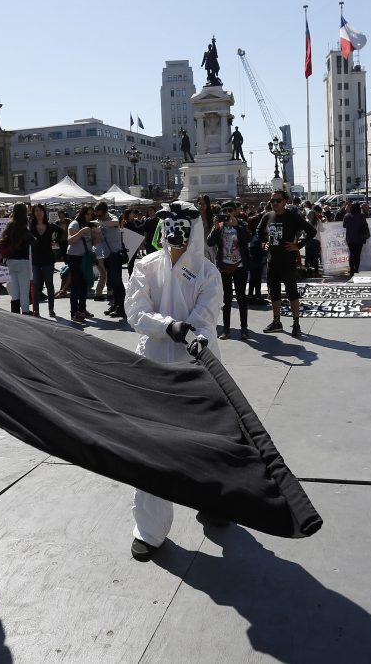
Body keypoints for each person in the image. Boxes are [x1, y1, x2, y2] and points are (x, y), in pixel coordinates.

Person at [124, 202, 223, 561]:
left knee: (206, 441)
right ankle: (149, 529)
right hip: (153, 365)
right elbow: (136, 311)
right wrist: (168, 326)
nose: (174, 232)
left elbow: (206, 315)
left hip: (197, 366)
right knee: (152, 446)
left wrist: (192, 333)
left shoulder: (208, 272)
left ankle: (213, 500)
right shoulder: (146, 266)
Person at [257, 189, 316, 336]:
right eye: (272, 200)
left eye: (278, 200)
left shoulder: (292, 216)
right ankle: (276, 322)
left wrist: (298, 245)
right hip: (272, 262)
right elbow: (259, 231)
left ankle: (296, 324)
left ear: (285, 202)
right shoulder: (267, 216)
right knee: (274, 294)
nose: (275, 203)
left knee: (292, 294)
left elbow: (311, 231)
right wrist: (264, 243)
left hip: (288, 262)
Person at [206, 200, 251, 339]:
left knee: (241, 297)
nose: (227, 214)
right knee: (226, 298)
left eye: (229, 211)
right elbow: (210, 242)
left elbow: (248, 238)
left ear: (235, 211)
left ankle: (244, 328)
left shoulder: (241, 223)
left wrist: (236, 226)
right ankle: (226, 329)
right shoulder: (219, 226)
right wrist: (215, 228)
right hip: (224, 266)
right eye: (224, 211)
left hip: (239, 266)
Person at [0, 203, 34, 315]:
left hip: (10, 262)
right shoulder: (23, 228)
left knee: (15, 292)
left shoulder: (9, 226)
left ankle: (15, 314)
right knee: (24, 292)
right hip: (22, 262)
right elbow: (33, 241)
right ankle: (25, 314)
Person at [94, 202, 127, 318]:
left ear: (105, 212)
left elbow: (115, 223)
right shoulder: (101, 221)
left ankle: (121, 307)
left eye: (100, 215)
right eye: (97, 215)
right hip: (107, 255)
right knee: (112, 282)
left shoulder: (112, 217)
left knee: (117, 281)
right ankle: (116, 305)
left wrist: (99, 223)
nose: (98, 217)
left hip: (115, 255)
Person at [29, 204, 62, 318]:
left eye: (40, 210)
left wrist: (55, 240)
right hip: (35, 260)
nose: (38, 213)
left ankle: (51, 309)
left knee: (49, 285)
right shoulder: (31, 227)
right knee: (36, 286)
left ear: (44, 212)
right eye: (36, 211)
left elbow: (61, 231)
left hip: (48, 259)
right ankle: (36, 310)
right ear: (33, 213)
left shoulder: (50, 226)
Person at [66, 205, 95, 323]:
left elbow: (94, 243)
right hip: (75, 257)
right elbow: (70, 240)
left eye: (91, 214)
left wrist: (98, 235)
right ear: (82, 213)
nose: (89, 216)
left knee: (84, 284)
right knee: (76, 285)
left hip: (85, 258)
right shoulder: (75, 224)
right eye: (87, 214)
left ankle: (82, 309)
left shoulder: (90, 225)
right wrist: (82, 231)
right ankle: (74, 311)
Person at [342, 202, 371, 276]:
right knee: (358, 254)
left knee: (352, 254)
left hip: (350, 238)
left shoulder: (347, 216)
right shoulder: (362, 216)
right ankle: (356, 269)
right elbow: (365, 225)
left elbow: (344, 226)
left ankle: (351, 269)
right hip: (360, 237)